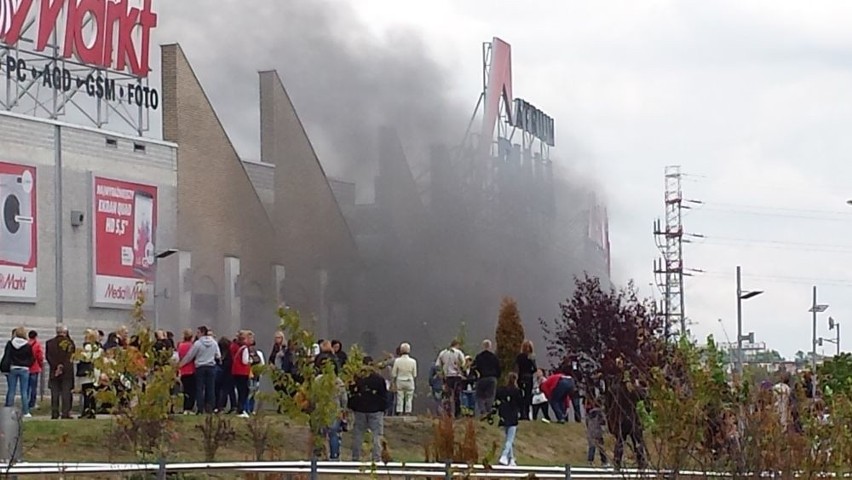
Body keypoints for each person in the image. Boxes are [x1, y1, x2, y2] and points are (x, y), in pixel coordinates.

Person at [349, 356, 388, 463]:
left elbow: (352, 392)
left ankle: (355, 457)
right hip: (375, 410)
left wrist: (353, 406)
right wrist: (383, 408)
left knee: (358, 434)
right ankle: (376, 458)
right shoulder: (379, 378)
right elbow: (384, 395)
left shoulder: (357, 378)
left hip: (360, 409)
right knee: (377, 434)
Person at [180, 326, 221, 414]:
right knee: (210, 388)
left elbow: (190, 356)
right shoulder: (214, 343)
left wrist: (181, 364)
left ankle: (200, 408)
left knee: (199, 388)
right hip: (211, 366)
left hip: (200, 367)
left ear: (202, 333)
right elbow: (218, 355)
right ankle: (210, 407)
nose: (197, 334)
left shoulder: (198, 343)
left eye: (198, 332)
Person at [1, 327, 35, 417]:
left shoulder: (10, 344)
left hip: (13, 368)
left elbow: (7, 356)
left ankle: (8, 410)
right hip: (24, 369)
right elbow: (32, 358)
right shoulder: (28, 345)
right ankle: (26, 411)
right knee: (24, 391)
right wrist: (27, 364)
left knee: (11, 390)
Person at [45, 325, 75, 419]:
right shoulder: (69, 343)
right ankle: (65, 413)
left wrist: (56, 367)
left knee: (55, 393)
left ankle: (54, 413)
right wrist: (62, 367)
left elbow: (48, 357)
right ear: (65, 332)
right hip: (67, 372)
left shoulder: (49, 343)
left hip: (54, 371)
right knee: (66, 392)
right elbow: (69, 357)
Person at [495, 372, 522, 466]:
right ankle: (504, 455)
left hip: (503, 414)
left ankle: (511, 459)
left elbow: (496, 399)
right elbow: (520, 403)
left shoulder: (501, 390)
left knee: (508, 437)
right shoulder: (517, 391)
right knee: (510, 439)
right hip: (512, 415)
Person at [435, 339, 465, 418]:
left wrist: (441, 372)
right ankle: (457, 413)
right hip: (456, 376)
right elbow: (463, 363)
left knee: (447, 396)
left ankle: (448, 413)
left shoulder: (443, 353)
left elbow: (437, 365)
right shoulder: (458, 352)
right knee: (457, 396)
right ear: (457, 345)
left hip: (447, 377)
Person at [472, 339, 501, 418]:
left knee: (479, 396)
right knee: (491, 395)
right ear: (490, 346)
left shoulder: (479, 356)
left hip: (482, 378)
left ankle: (483, 410)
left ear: (483, 346)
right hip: (492, 378)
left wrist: (476, 375)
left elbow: (474, 367)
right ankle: (488, 410)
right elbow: (499, 368)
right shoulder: (494, 357)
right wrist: (497, 377)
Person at [77, 329, 102, 419]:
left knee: (87, 392)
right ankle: (92, 410)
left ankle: (86, 410)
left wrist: (79, 354)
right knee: (92, 393)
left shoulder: (88, 347)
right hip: (95, 372)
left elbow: (85, 358)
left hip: (87, 374)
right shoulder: (98, 347)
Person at [391, 342, 417, 415]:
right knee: (409, 397)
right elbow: (414, 374)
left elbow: (394, 373)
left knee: (400, 396)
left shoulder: (397, 361)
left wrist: (393, 381)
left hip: (400, 380)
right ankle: (408, 411)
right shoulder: (413, 361)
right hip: (409, 380)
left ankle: (399, 411)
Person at [515, 340, 537, 421]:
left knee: (521, 396)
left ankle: (522, 413)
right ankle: (527, 414)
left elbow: (517, 367)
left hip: (521, 377)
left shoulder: (519, 356)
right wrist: (530, 372)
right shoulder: (531, 356)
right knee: (528, 396)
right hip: (529, 377)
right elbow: (535, 368)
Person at [585, 396, 609, 467]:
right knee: (601, 447)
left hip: (590, 431)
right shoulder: (600, 413)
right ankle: (604, 462)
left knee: (592, 447)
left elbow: (586, 422)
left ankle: (590, 461)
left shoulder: (589, 413)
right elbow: (603, 422)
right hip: (598, 431)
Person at [177, 329, 197, 414]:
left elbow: (179, 356)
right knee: (192, 390)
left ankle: (185, 407)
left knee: (185, 390)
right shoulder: (192, 346)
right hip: (192, 370)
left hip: (183, 370)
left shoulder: (180, 345)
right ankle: (190, 407)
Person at [27, 330, 44, 411]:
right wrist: (40, 365)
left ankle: (26, 402)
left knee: (26, 387)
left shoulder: (26, 344)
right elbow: (40, 356)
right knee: (34, 387)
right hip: (35, 368)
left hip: (26, 368)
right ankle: (32, 403)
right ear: (36, 336)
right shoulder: (37, 344)